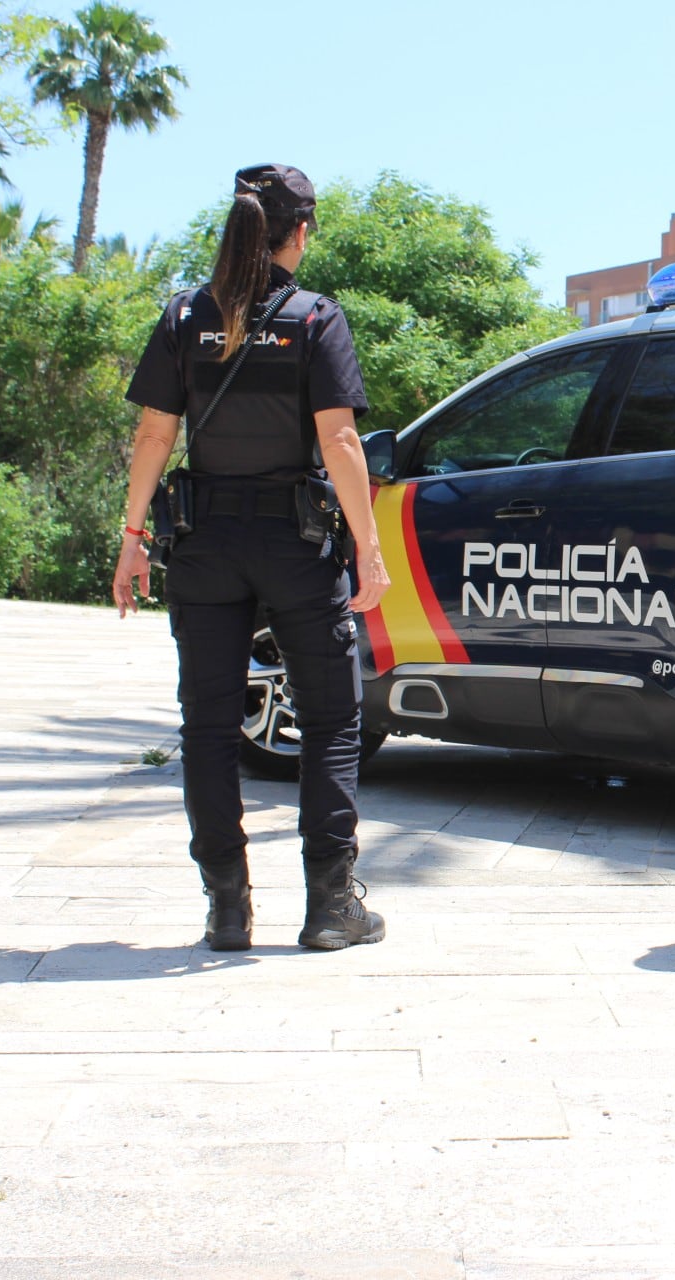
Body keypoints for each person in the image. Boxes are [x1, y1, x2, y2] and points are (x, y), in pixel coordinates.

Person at [114, 163, 391, 952]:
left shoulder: (184, 317)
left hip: (202, 544)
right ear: (299, 232)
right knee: (333, 722)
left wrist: (133, 540)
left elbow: (154, 437)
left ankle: (227, 908)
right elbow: (339, 441)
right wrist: (369, 552)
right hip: (295, 545)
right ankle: (331, 908)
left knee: (205, 729)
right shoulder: (313, 319)